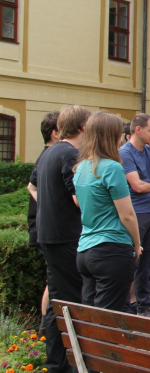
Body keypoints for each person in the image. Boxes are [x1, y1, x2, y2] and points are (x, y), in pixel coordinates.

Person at [32, 104, 91, 373]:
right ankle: (74, 364)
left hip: (50, 235)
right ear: (83, 127)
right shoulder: (69, 153)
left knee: (58, 304)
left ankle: (56, 363)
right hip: (66, 236)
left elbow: (33, 186)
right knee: (74, 302)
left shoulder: (51, 151)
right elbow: (78, 198)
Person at [73, 112, 142, 311]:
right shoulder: (112, 168)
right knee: (108, 316)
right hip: (111, 249)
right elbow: (127, 214)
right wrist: (137, 244)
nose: (121, 138)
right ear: (111, 136)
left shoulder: (81, 168)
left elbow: (79, 202)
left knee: (89, 315)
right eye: (119, 134)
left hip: (85, 250)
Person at [119, 113, 150, 317]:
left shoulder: (149, 151)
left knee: (149, 261)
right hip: (136, 212)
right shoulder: (125, 153)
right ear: (137, 130)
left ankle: (144, 304)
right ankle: (128, 304)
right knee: (134, 260)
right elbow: (137, 186)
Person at [26, 111, 59, 333]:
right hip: (45, 228)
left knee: (53, 280)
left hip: (44, 227)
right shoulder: (49, 156)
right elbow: (32, 186)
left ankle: (46, 326)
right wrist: (50, 205)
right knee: (53, 281)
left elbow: (32, 186)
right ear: (55, 133)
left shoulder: (49, 155)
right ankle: (45, 326)